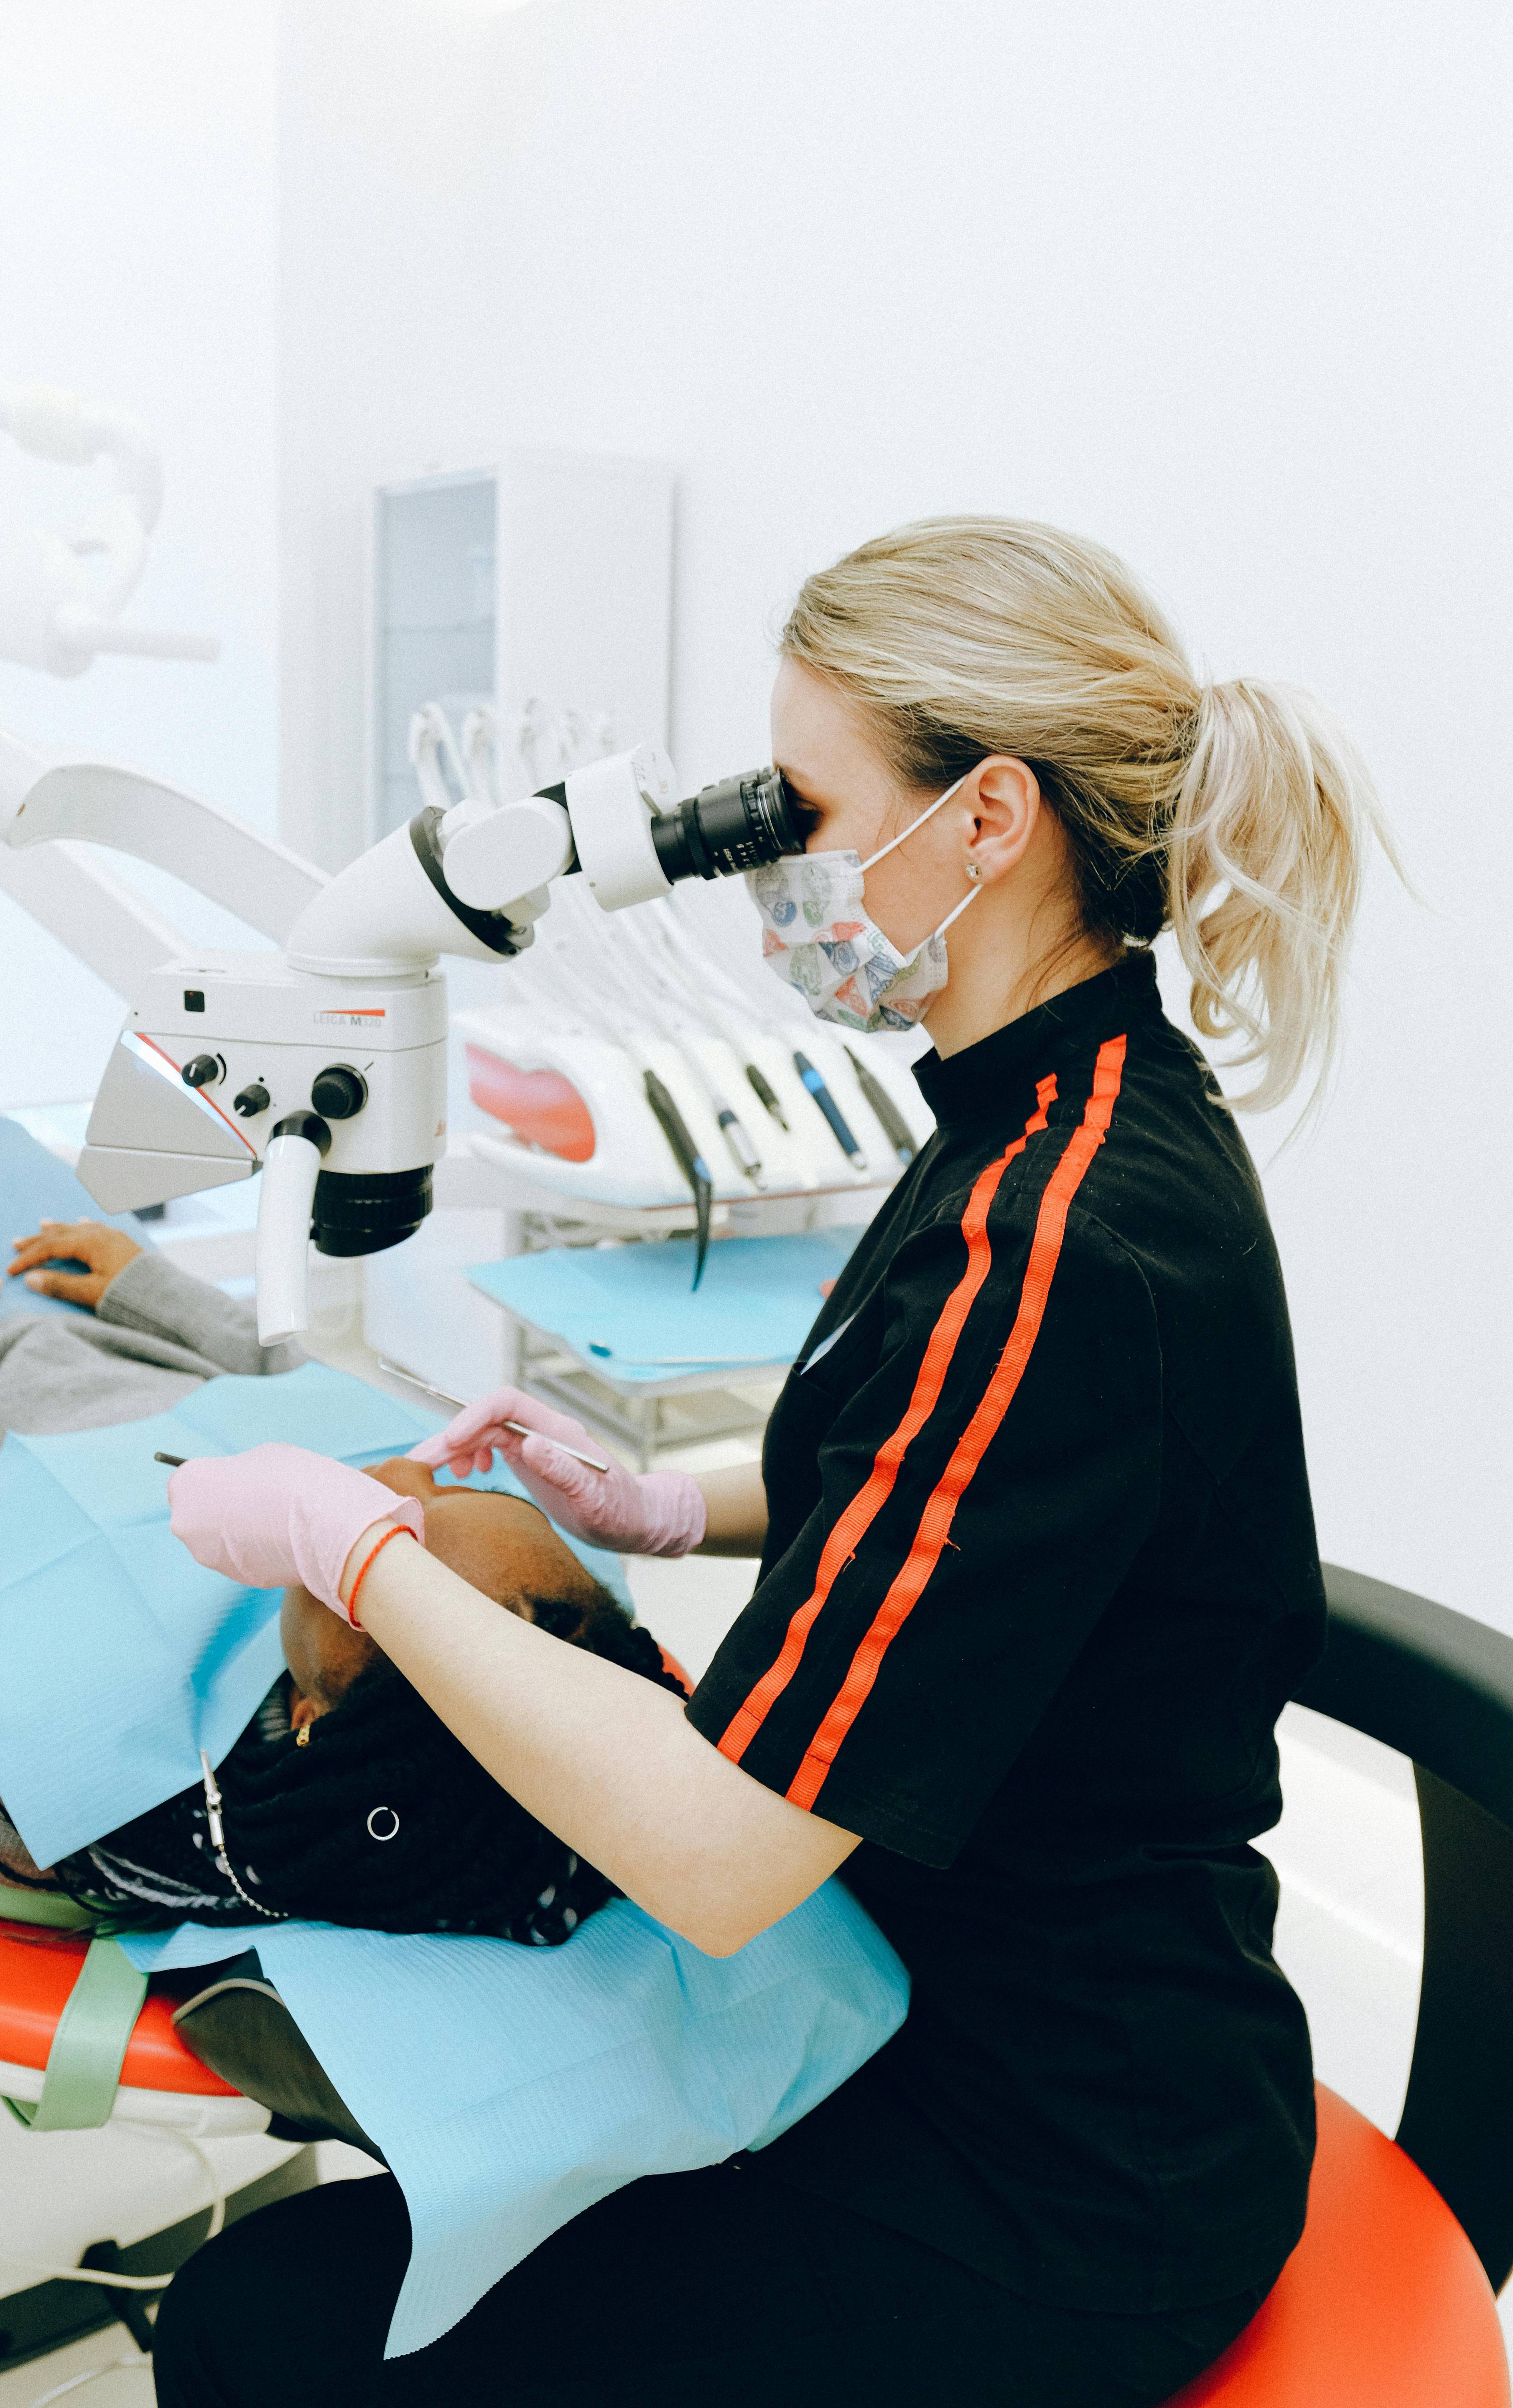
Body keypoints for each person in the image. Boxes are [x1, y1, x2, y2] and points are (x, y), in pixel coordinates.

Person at [155, 516, 1393, 2408]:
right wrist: (673, 1499)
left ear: (986, 821)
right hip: (912, 1999)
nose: (767, 880)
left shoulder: (1058, 1231)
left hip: (1052, 2160)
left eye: (794, 817)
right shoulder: (1040, 1103)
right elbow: (947, 1478)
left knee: (267, 2338)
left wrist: (356, 1547)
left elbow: (723, 1852)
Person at [0, 1120, 680, 1940]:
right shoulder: (565, 1622)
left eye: (376, 1534)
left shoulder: (17, 1757)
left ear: (313, 1716)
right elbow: (314, 1396)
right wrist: (152, 1291)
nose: (399, 1472)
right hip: (118, 1321)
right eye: (453, 1491)